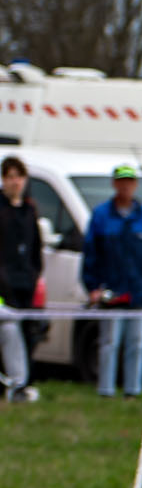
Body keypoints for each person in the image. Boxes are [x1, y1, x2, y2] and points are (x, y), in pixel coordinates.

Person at [80, 164, 142, 398]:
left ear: (135, 185)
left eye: (129, 181)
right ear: (114, 184)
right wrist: (93, 287)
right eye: (121, 181)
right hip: (112, 290)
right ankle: (105, 390)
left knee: (136, 343)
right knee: (109, 342)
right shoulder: (101, 215)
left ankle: (132, 390)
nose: (125, 186)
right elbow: (91, 254)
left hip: (138, 292)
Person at [0, 156, 42, 402]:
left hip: (26, 284)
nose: (15, 182)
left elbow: (35, 248)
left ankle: (21, 383)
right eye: (10, 177)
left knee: (26, 334)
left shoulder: (29, 210)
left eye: (19, 176)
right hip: (3, 290)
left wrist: (34, 275)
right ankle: (15, 383)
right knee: (9, 329)